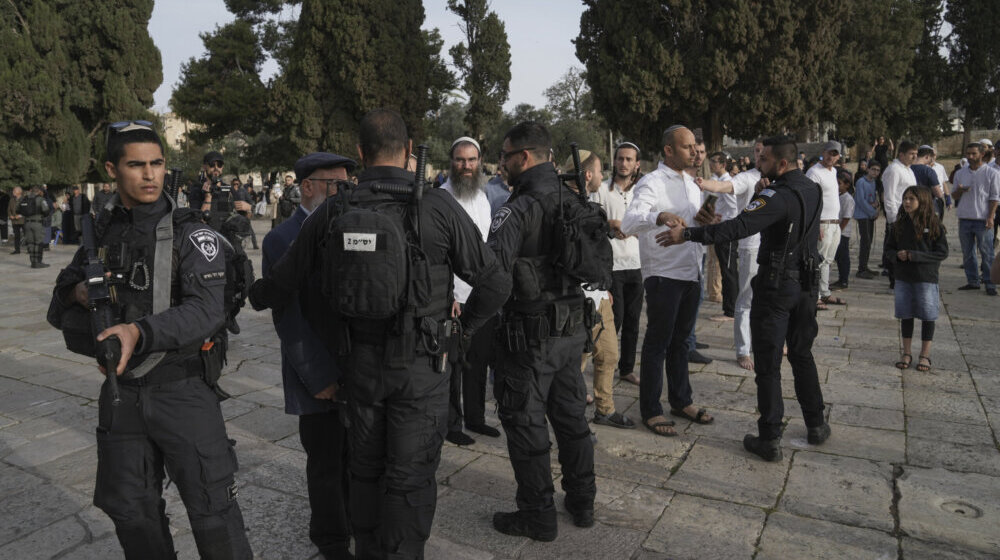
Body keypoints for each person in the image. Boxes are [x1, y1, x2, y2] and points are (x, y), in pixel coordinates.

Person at [251, 108, 510, 559]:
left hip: (361, 372)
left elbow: (277, 287)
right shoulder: (437, 206)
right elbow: (495, 283)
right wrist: (461, 333)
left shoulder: (336, 208)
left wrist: (248, 289)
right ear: (410, 153)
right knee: (410, 480)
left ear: (359, 153)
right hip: (423, 370)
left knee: (366, 473)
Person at [46, 121, 252, 559]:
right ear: (112, 170)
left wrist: (138, 331)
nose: (149, 175)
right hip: (123, 396)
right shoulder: (98, 235)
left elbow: (205, 309)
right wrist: (84, 292)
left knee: (214, 513)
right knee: (132, 512)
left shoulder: (189, 233)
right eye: (136, 165)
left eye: (157, 164)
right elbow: (57, 305)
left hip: (182, 389)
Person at [657, 135, 829, 462]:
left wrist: (688, 234)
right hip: (807, 285)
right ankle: (816, 423)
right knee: (802, 354)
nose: (757, 166)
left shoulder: (776, 195)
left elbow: (737, 228)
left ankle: (769, 436)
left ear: (781, 163)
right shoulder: (812, 188)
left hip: (778, 286)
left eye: (763, 161)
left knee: (767, 364)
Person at [485, 121, 601, 541]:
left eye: (505, 155)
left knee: (527, 422)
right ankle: (582, 501)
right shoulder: (573, 200)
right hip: (571, 334)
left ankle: (537, 515)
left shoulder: (517, 209)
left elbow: (492, 277)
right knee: (572, 419)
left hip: (528, 339)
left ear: (525, 157)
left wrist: (472, 324)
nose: (502, 163)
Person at [261, 152, 357, 560]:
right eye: (334, 185)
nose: (342, 192)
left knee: (357, 460)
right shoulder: (281, 238)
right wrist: (319, 377)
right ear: (308, 187)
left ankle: (356, 525)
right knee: (325, 466)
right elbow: (289, 318)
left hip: (356, 370)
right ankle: (332, 543)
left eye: (347, 184)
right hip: (317, 377)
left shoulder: (352, 226)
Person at [621, 124, 716, 438]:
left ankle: (681, 400)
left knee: (681, 341)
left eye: (695, 146)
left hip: (691, 271)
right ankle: (650, 409)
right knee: (657, 344)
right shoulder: (651, 182)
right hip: (664, 274)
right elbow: (630, 221)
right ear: (669, 150)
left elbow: (689, 224)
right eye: (687, 147)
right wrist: (659, 216)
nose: (694, 152)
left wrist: (704, 222)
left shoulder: (691, 184)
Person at [439, 136, 501, 446]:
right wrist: (448, 295)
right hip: (454, 299)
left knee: (478, 361)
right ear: (451, 162)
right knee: (452, 365)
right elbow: (439, 255)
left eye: (471, 160)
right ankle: (452, 424)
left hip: (481, 297)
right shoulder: (440, 198)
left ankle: (476, 418)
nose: (466, 165)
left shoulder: (483, 197)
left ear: (479, 162)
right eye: (460, 160)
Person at [567, 150, 635, 430]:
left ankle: (604, 410)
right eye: (599, 170)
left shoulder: (586, 203)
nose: (603, 175)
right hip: (576, 298)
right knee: (576, 361)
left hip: (598, 294)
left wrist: (602, 288)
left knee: (608, 354)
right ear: (587, 175)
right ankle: (572, 421)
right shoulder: (564, 204)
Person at [697, 139, 765, 371]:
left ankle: (770, 342)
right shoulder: (747, 177)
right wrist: (702, 182)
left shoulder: (783, 180)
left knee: (772, 299)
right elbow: (724, 187)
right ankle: (743, 350)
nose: (760, 156)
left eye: (764, 152)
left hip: (776, 247)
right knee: (746, 298)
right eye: (757, 151)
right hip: (750, 246)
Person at [591, 141, 643, 385]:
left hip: (637, 263)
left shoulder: (642, 191)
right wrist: (611, 225)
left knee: (633, 320)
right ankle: (601, 366)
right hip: (612, 266)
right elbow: (592, 223)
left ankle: (626, 368)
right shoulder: (602, 190)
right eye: (620, 158)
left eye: (629, 159)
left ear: (636, 164)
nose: (624, 163)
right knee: (615, 319)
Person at [887, 186, 948, 373]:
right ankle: (906, 352)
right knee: (906, 314)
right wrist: (898, 256)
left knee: (928, 315)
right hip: (904, 277)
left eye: (911, 199)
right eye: (905, 198)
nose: (907, 202)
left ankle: (925, 354)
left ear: (922, 201)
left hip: (926, 277)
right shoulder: (898, 225)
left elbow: (942, 252)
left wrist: (915, 255)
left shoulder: (934, 224)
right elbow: (888, 251)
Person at [952, 142, 1000, 296]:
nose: (970, 157)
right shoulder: (961, 173)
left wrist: (991, 217)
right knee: (968, 253)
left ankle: (990, 282)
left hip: (983, 219)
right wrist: (959, 190)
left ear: (982, 154)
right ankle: (972, 280)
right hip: (965, 218)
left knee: (987, 253)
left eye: (974, 154)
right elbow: (954, 195)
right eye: (968, 154)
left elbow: (994, 198)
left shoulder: (992, 173)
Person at [805, 141, 843, 309]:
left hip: (834, 222)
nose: (831, 157)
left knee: (828, 260)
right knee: (818, 260)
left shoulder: (833, 171)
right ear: (823, 152)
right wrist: (815, 225)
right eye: (829, 153)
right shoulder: (814, 172)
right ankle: (815, 295)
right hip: (822, 222)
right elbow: (810, 201)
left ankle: (825, 292)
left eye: (835, 154)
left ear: (838, 157)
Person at [880, 141, 919, 290]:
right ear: (901, 154)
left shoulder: (908, 169)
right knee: (896, 249)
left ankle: (903, 277)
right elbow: (889, 196)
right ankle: (893, 279)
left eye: (916, 154)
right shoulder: (894, 169)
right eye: (911, 154)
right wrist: (893, 219)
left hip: (909, 216)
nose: (914, 157)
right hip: (898, 216)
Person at [708, 151, 738, 320]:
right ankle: (729, 307)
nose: (711, 164)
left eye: (714, 161)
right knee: (724, 268)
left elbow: (734, 208)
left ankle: (731, 310)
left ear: (723, 165)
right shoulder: (716, 181)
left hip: (727, 230)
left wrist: (725, 224)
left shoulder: (727, 183)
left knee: (729, 270)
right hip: (719, 229)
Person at [854, 161, 880, 279]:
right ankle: (861, 269)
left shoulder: (873, 182)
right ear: (868, 169)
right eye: (873, 169)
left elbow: (873, 199)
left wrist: (876, 206)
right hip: (862, 215)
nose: (875, 172)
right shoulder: (861, 182)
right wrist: (872, 212)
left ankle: (865, 266)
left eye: (878, 170)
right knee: (865, 241)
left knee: (869, 242)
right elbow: (860, 200)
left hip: (869, 215)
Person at [832, 170, 855, 290]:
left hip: (842, 232)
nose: (837, 186)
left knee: (843, 257)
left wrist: (838, 231)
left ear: (847, 185)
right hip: (836, 231)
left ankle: (844, 280)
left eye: (840, 183)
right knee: (838, 256)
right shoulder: (837, 196)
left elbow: (846, 218)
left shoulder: (848, 199)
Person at [20, 185, 51, 268]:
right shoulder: (40, 199)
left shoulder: (25, 198)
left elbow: (18, 209)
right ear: (39, 191)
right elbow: (46, 211)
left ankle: (32, 261)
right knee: (38, 242)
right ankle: (38, 262)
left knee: (30, 242)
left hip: (27, 223)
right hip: (37, 223)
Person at [8, 186, 24, 254]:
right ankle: (17, 250)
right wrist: (10, 215)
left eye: (14, 191)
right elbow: (8, 209)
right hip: (14, 221)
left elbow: (27, 210)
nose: (13, 192)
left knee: (27, 235)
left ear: (19, 192)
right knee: (16, 236)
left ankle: (30, 249)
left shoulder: (24, 199)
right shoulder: (12, 199)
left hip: (23, 220)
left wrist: (20, 215)